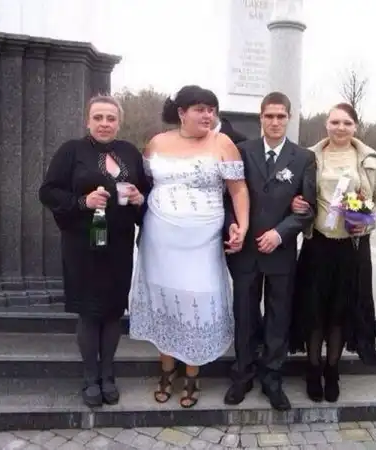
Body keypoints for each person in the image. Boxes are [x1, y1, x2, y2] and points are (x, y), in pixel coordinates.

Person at [129, 85, 249, 409]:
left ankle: (193, 375)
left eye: (211, 109)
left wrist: (242, 226)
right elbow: (146, 184)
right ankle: (167, 371)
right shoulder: (156, 143)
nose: (208, 115)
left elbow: (238, 190)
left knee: (196, 301)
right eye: (200, 109)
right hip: (160, 238)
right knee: (165, 299)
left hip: (203, 240)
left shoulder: (223, 143)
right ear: (181, 113)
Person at [39, 95, 151, 407]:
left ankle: (107, 374)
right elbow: (47, 192)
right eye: (98, 117)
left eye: (110, 118)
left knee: (113, 310)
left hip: (118, 243)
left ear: (119, 122)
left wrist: (140, 200)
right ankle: (90, 377)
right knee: (89, 311)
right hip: (82, 244)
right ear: (87, 121)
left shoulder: (129, 152)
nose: (104, 124)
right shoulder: (72, 151)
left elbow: (146, 192)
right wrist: (82, 202)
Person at [289, 103, 376, 403]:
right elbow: (294, 194)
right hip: (317, 245)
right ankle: (312, 369)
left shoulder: (369, 160)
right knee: (314, 312)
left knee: (340, 312)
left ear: (355, 126)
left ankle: (332, 370)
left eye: (347, 122)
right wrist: (295, 204)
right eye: (335, 122)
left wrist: (370, 221)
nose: (340, 128)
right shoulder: (309, 157)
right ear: (326, 124)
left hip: (352, 248)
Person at [223, 91, 317, 411]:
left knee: (279, 316)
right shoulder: (242, 151)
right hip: (246, 251)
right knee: (245, 314)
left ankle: (272, 377)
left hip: (280, 252)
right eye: (269, 116)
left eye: (281, 116)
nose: (275, 122)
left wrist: (280, 233)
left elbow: (308, 208)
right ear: (261, 117)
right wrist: (233, 226)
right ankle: (242, 373)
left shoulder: (303, 158)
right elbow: (228, 198)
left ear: (289, 118)